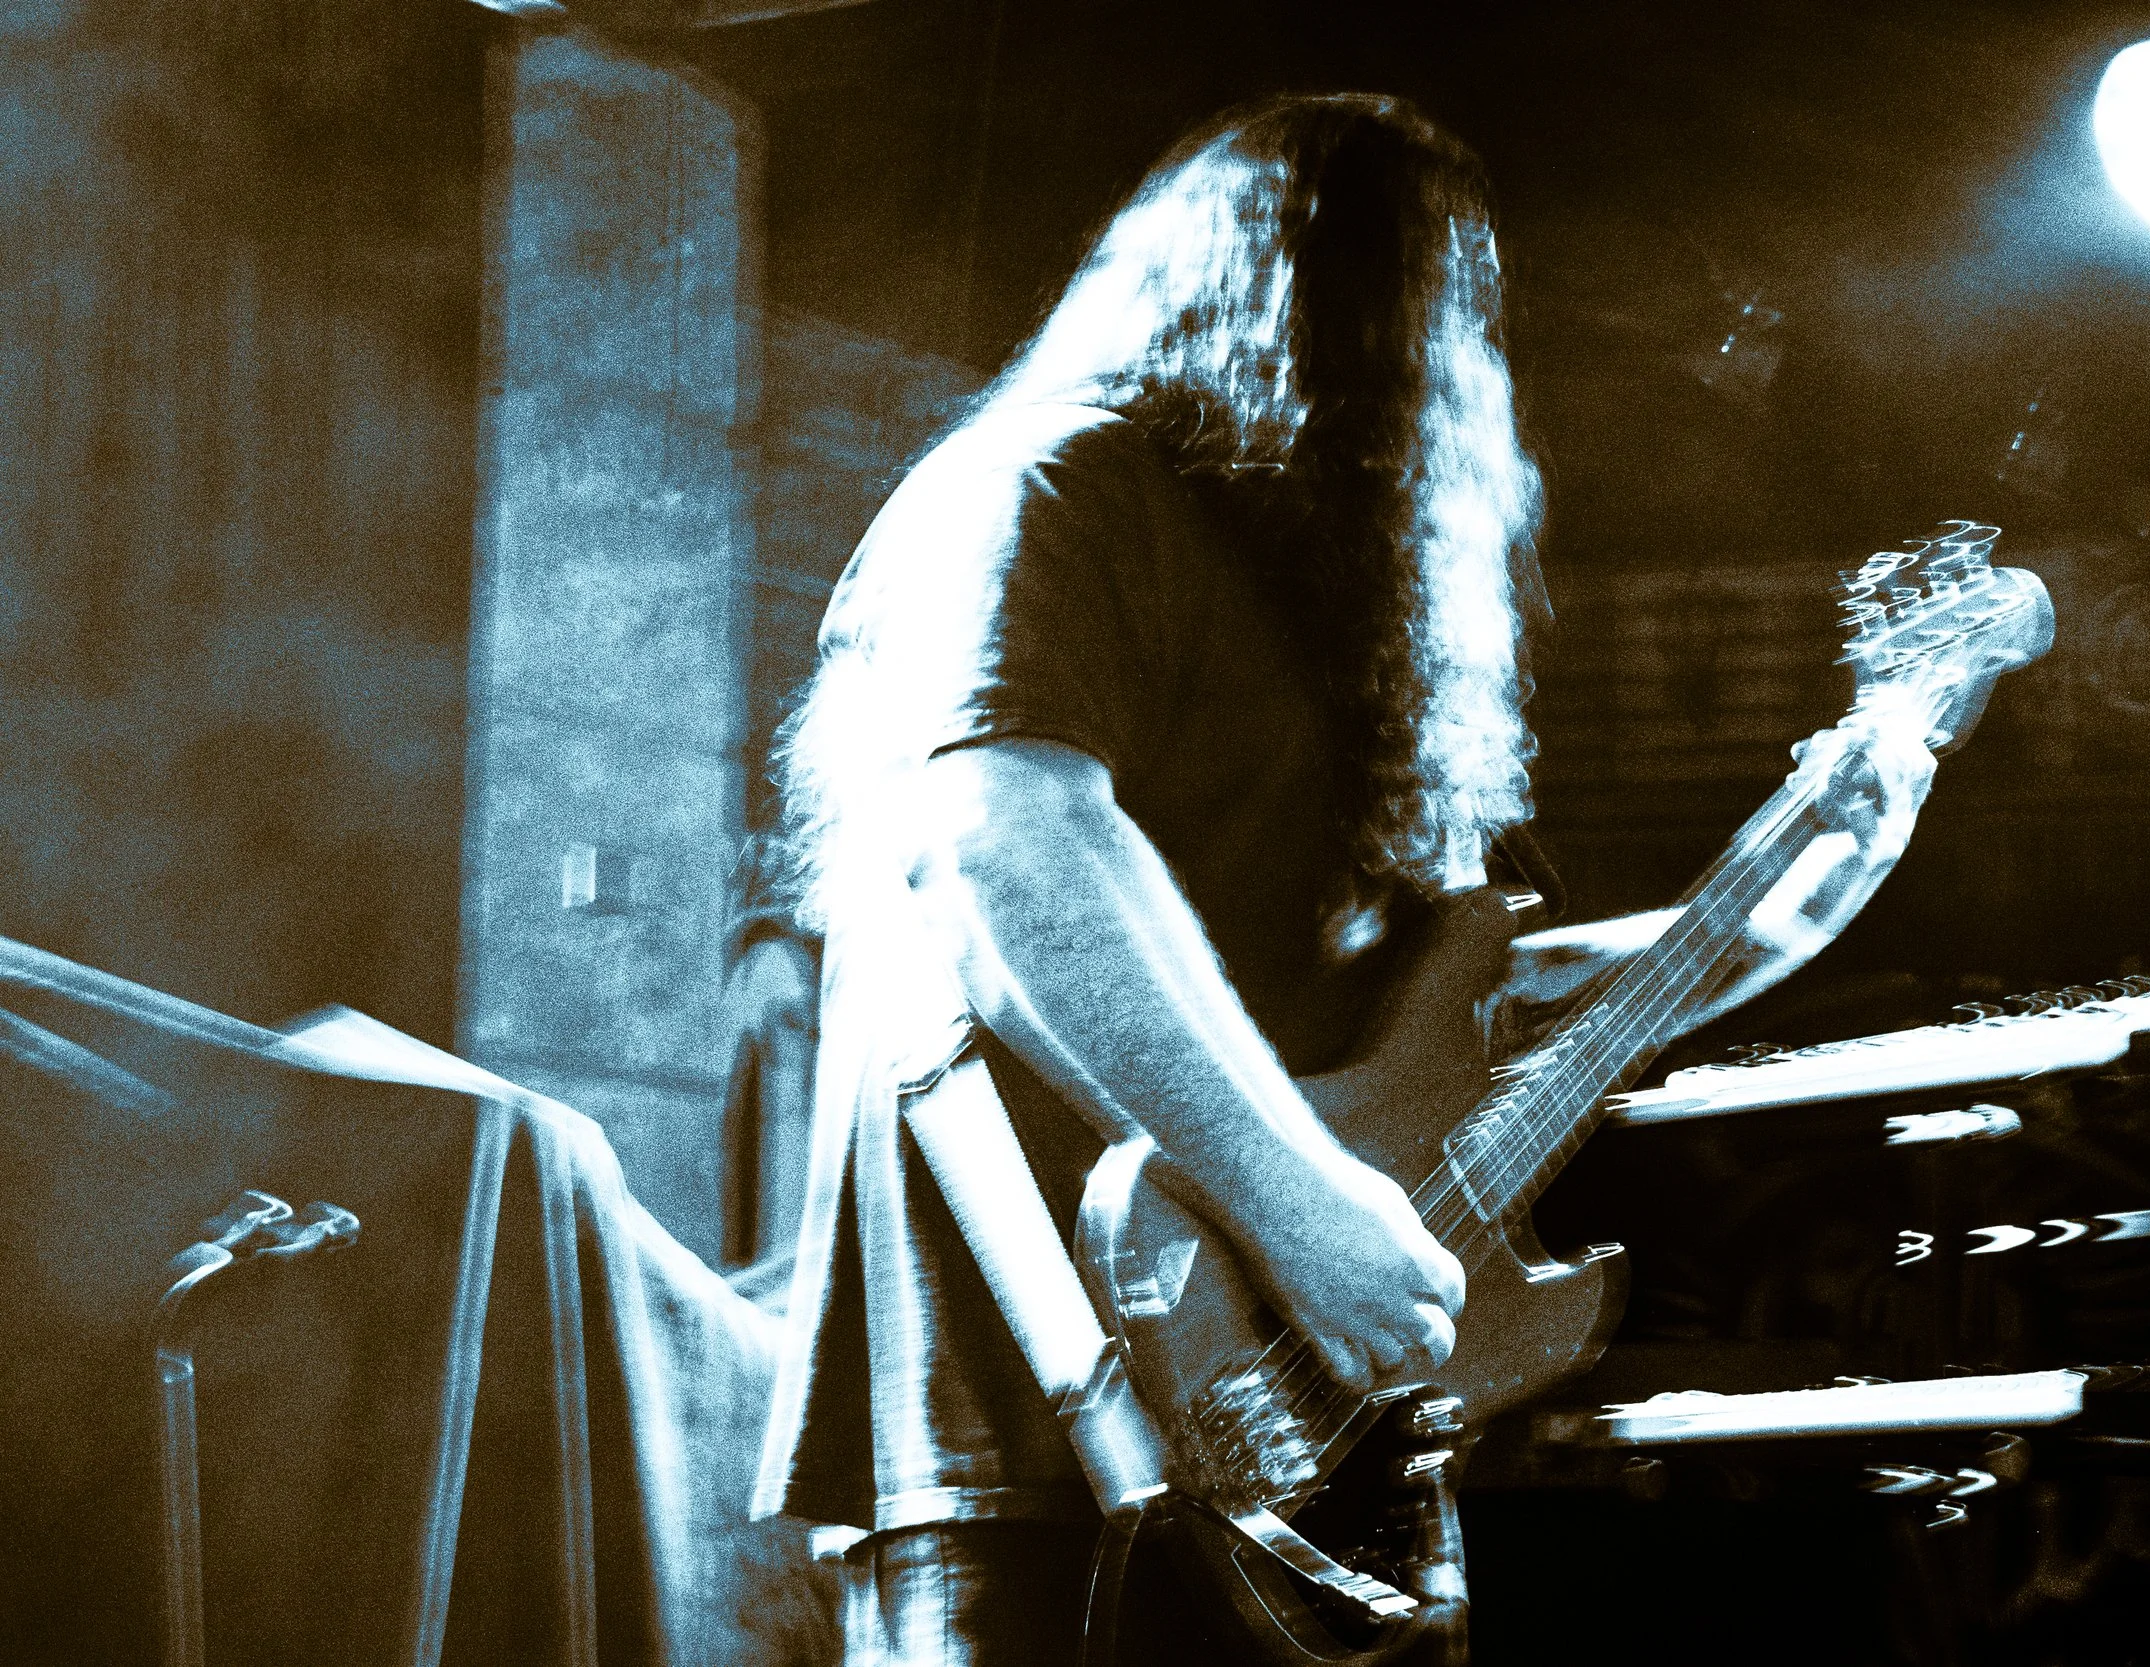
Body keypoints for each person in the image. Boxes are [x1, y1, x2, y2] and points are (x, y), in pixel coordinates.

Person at [752, 92, 1924, 1665]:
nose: (1462, 372)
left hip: (1336, 1462)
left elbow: (1494, 1011)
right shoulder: (1053, 485)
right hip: (1055, 1443)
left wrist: (1816, 872)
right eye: (1441, 311)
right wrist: (1300, 1207)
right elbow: (1006, 842)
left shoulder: (1319, 608)